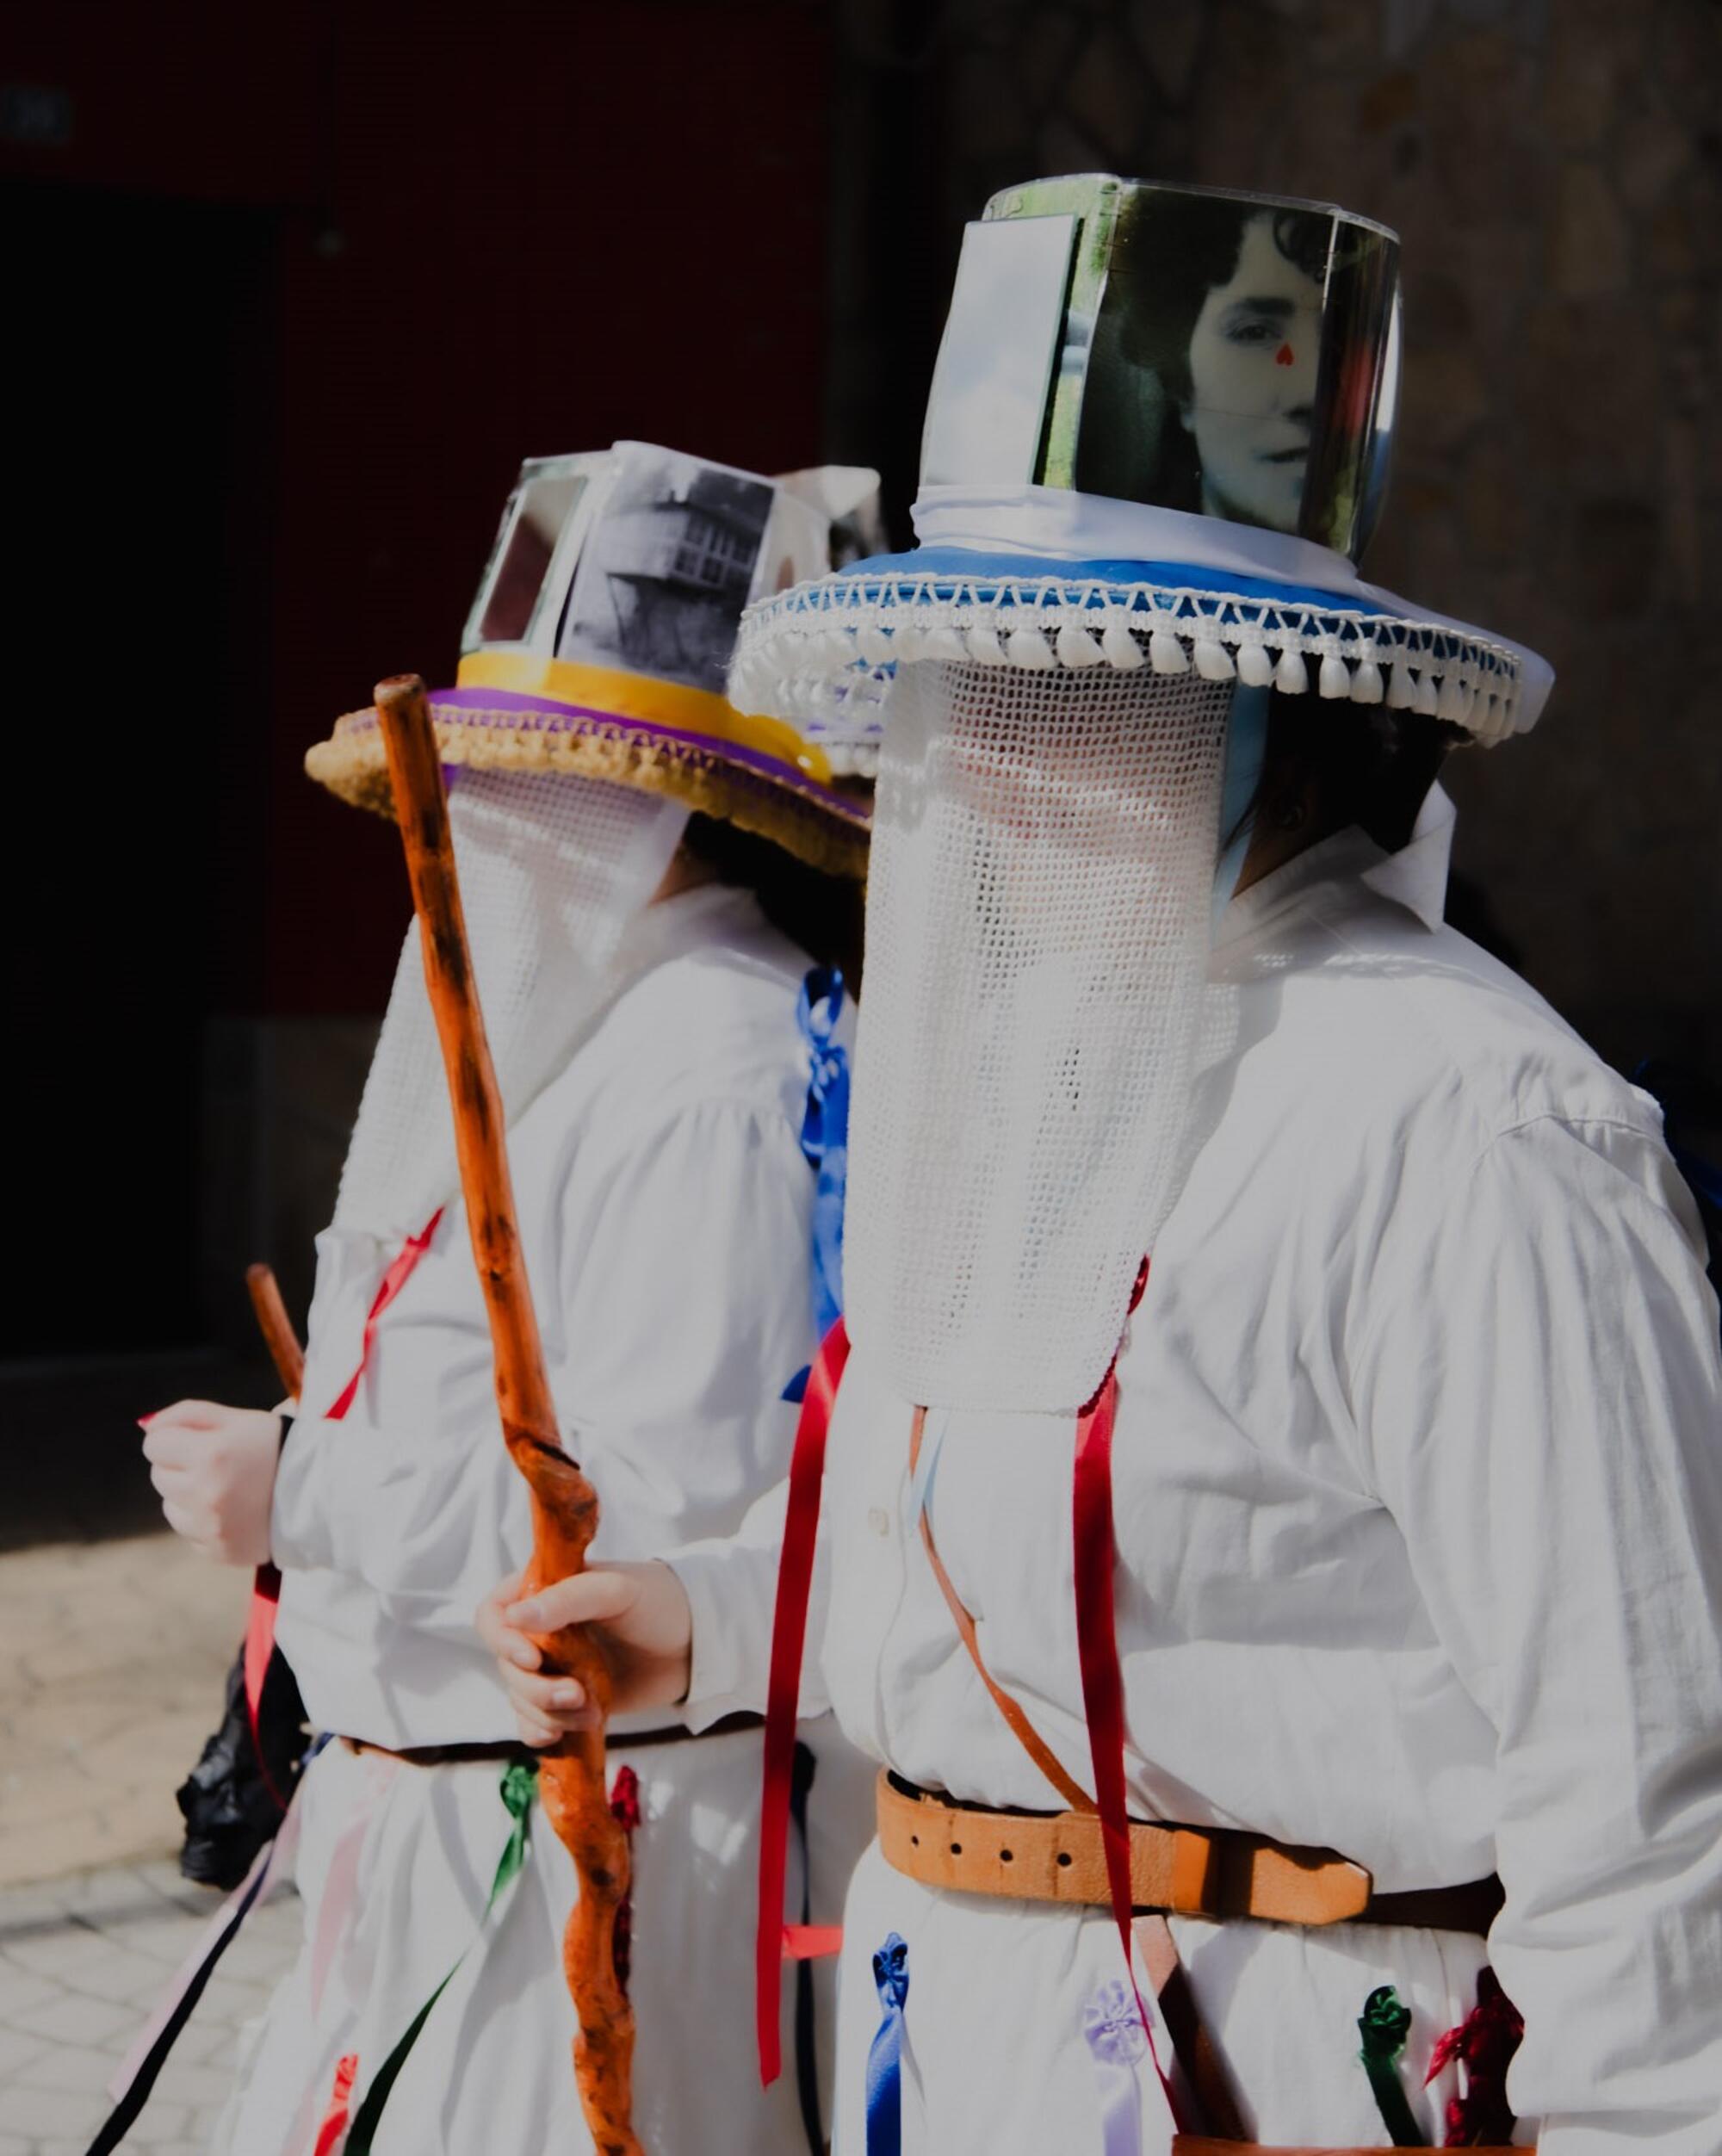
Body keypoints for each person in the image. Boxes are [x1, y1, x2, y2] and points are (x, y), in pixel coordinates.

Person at [483, 181, 1722, 2154]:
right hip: (954, 2039)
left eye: (1067, 685)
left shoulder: (1471, 1127)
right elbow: (997, 1540)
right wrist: (713, 1623)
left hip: (1290, 2068)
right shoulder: (1048, 1071)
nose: (985, 756)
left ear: (1274, 711)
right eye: (968, 692)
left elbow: (1660, 1782)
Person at [138, 443, 879, 2156]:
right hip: (451, 1859)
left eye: (527, 785)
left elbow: (652, 1536)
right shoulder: (606, 1042)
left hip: (582, 1881)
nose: (470, 835)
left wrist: (299, 1489)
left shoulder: (715, 1069)